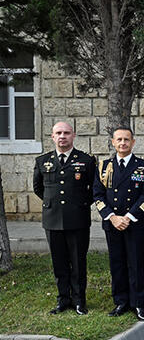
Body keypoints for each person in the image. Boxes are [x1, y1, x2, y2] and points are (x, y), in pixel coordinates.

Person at [34, 122, 96, 316]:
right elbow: (38, 188)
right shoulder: (42, 161)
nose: (63, 136)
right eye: (58, 133)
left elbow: (94, 190)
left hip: (77, 219)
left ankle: (79, 301)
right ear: (52, 136)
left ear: (73, 135)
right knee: (58, 262)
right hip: (52, 220)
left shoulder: (86, 160)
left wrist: (78, 205)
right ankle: (63, 300)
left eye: (66, 133)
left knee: (78, 262)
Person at [93, 126, 144, 321]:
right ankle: (120, 302)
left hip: (134, 223)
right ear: (112, 142)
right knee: (116, 263)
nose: (122, 143)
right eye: (118, 139)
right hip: (112, 223)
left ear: (133, 142)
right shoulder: (103, 166)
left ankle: (138, 304)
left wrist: (128, 217)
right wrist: (112, 217)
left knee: (136, 264)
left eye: (126, 139)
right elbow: (97, 194)